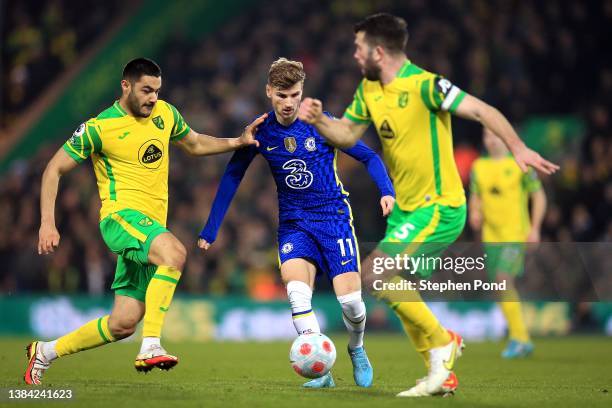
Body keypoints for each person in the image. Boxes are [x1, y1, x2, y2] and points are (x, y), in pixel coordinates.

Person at [298, 13, 559, 397]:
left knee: (375, 276)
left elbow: (483, 111)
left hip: (438, 206)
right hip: (406, 210)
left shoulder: (427, 86)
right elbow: (348, 134)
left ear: (379, 51)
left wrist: (518, 148)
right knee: (397, 287)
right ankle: (440, 373)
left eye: (359, 48)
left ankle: (443, 341)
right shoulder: (369, 91)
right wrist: (320, 120)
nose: (354, 55)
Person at [26, 57, 264, 385]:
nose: (153, 98)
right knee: (175, 254)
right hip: (120, 219)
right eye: (146, 90)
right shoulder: (99, 127)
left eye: (157, 90)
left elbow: (194, 143)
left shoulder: (165, 114)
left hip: (149, 228)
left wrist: (236, 142)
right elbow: (54, 168)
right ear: (126, 86)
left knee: (123, 322)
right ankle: (151, 345)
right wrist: (47, 223)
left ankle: (45, 352)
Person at [198, 58, 395, 389]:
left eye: (295, 95)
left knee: (352, 304)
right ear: (268, 92)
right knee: (297, 295)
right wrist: (211, 228)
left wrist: (386, 191)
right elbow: (233, 175)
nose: (288, 103)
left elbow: (369, 156)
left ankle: (356, 349)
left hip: (333, 218)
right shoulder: (260, 132)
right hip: (294, 223)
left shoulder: (319, 123)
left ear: (302, 93)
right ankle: (322, 369)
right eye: (282, 95)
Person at [470, 128, 547, 358]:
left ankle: (520, 339)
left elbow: (539, 195)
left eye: (496, 136)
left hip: (515, 235)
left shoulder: (519, 164)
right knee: (499, 287)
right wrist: (474, 211)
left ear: (505, 138)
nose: (491, 140)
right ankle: (520, 337)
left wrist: (535, 228)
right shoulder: (479, 167)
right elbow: (475, 196)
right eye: (487, 136)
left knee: (503, 279)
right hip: (491, 238)